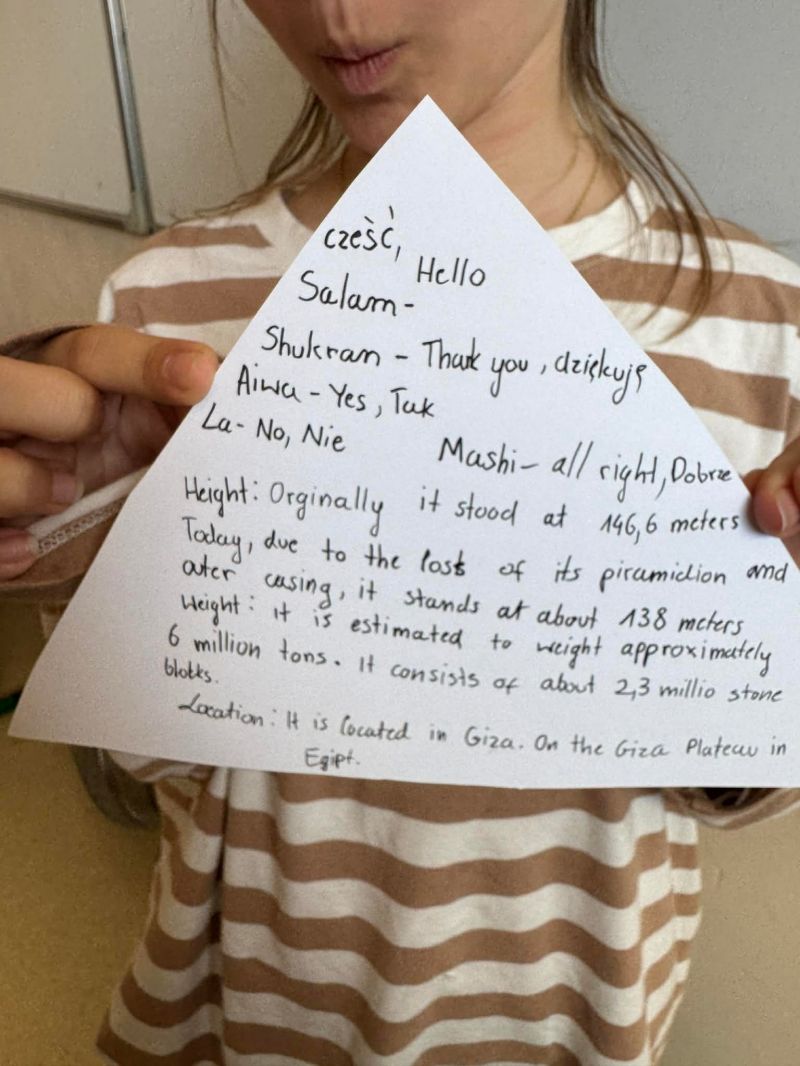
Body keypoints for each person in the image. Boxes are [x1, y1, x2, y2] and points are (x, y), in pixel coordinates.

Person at [2, 1, 800, 1062]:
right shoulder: (167, 303)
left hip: (576, 1021)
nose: (335, 11)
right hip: (246, 1015)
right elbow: (147, 759)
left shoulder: (760, 324)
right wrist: (82, 547)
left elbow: (738, 783)